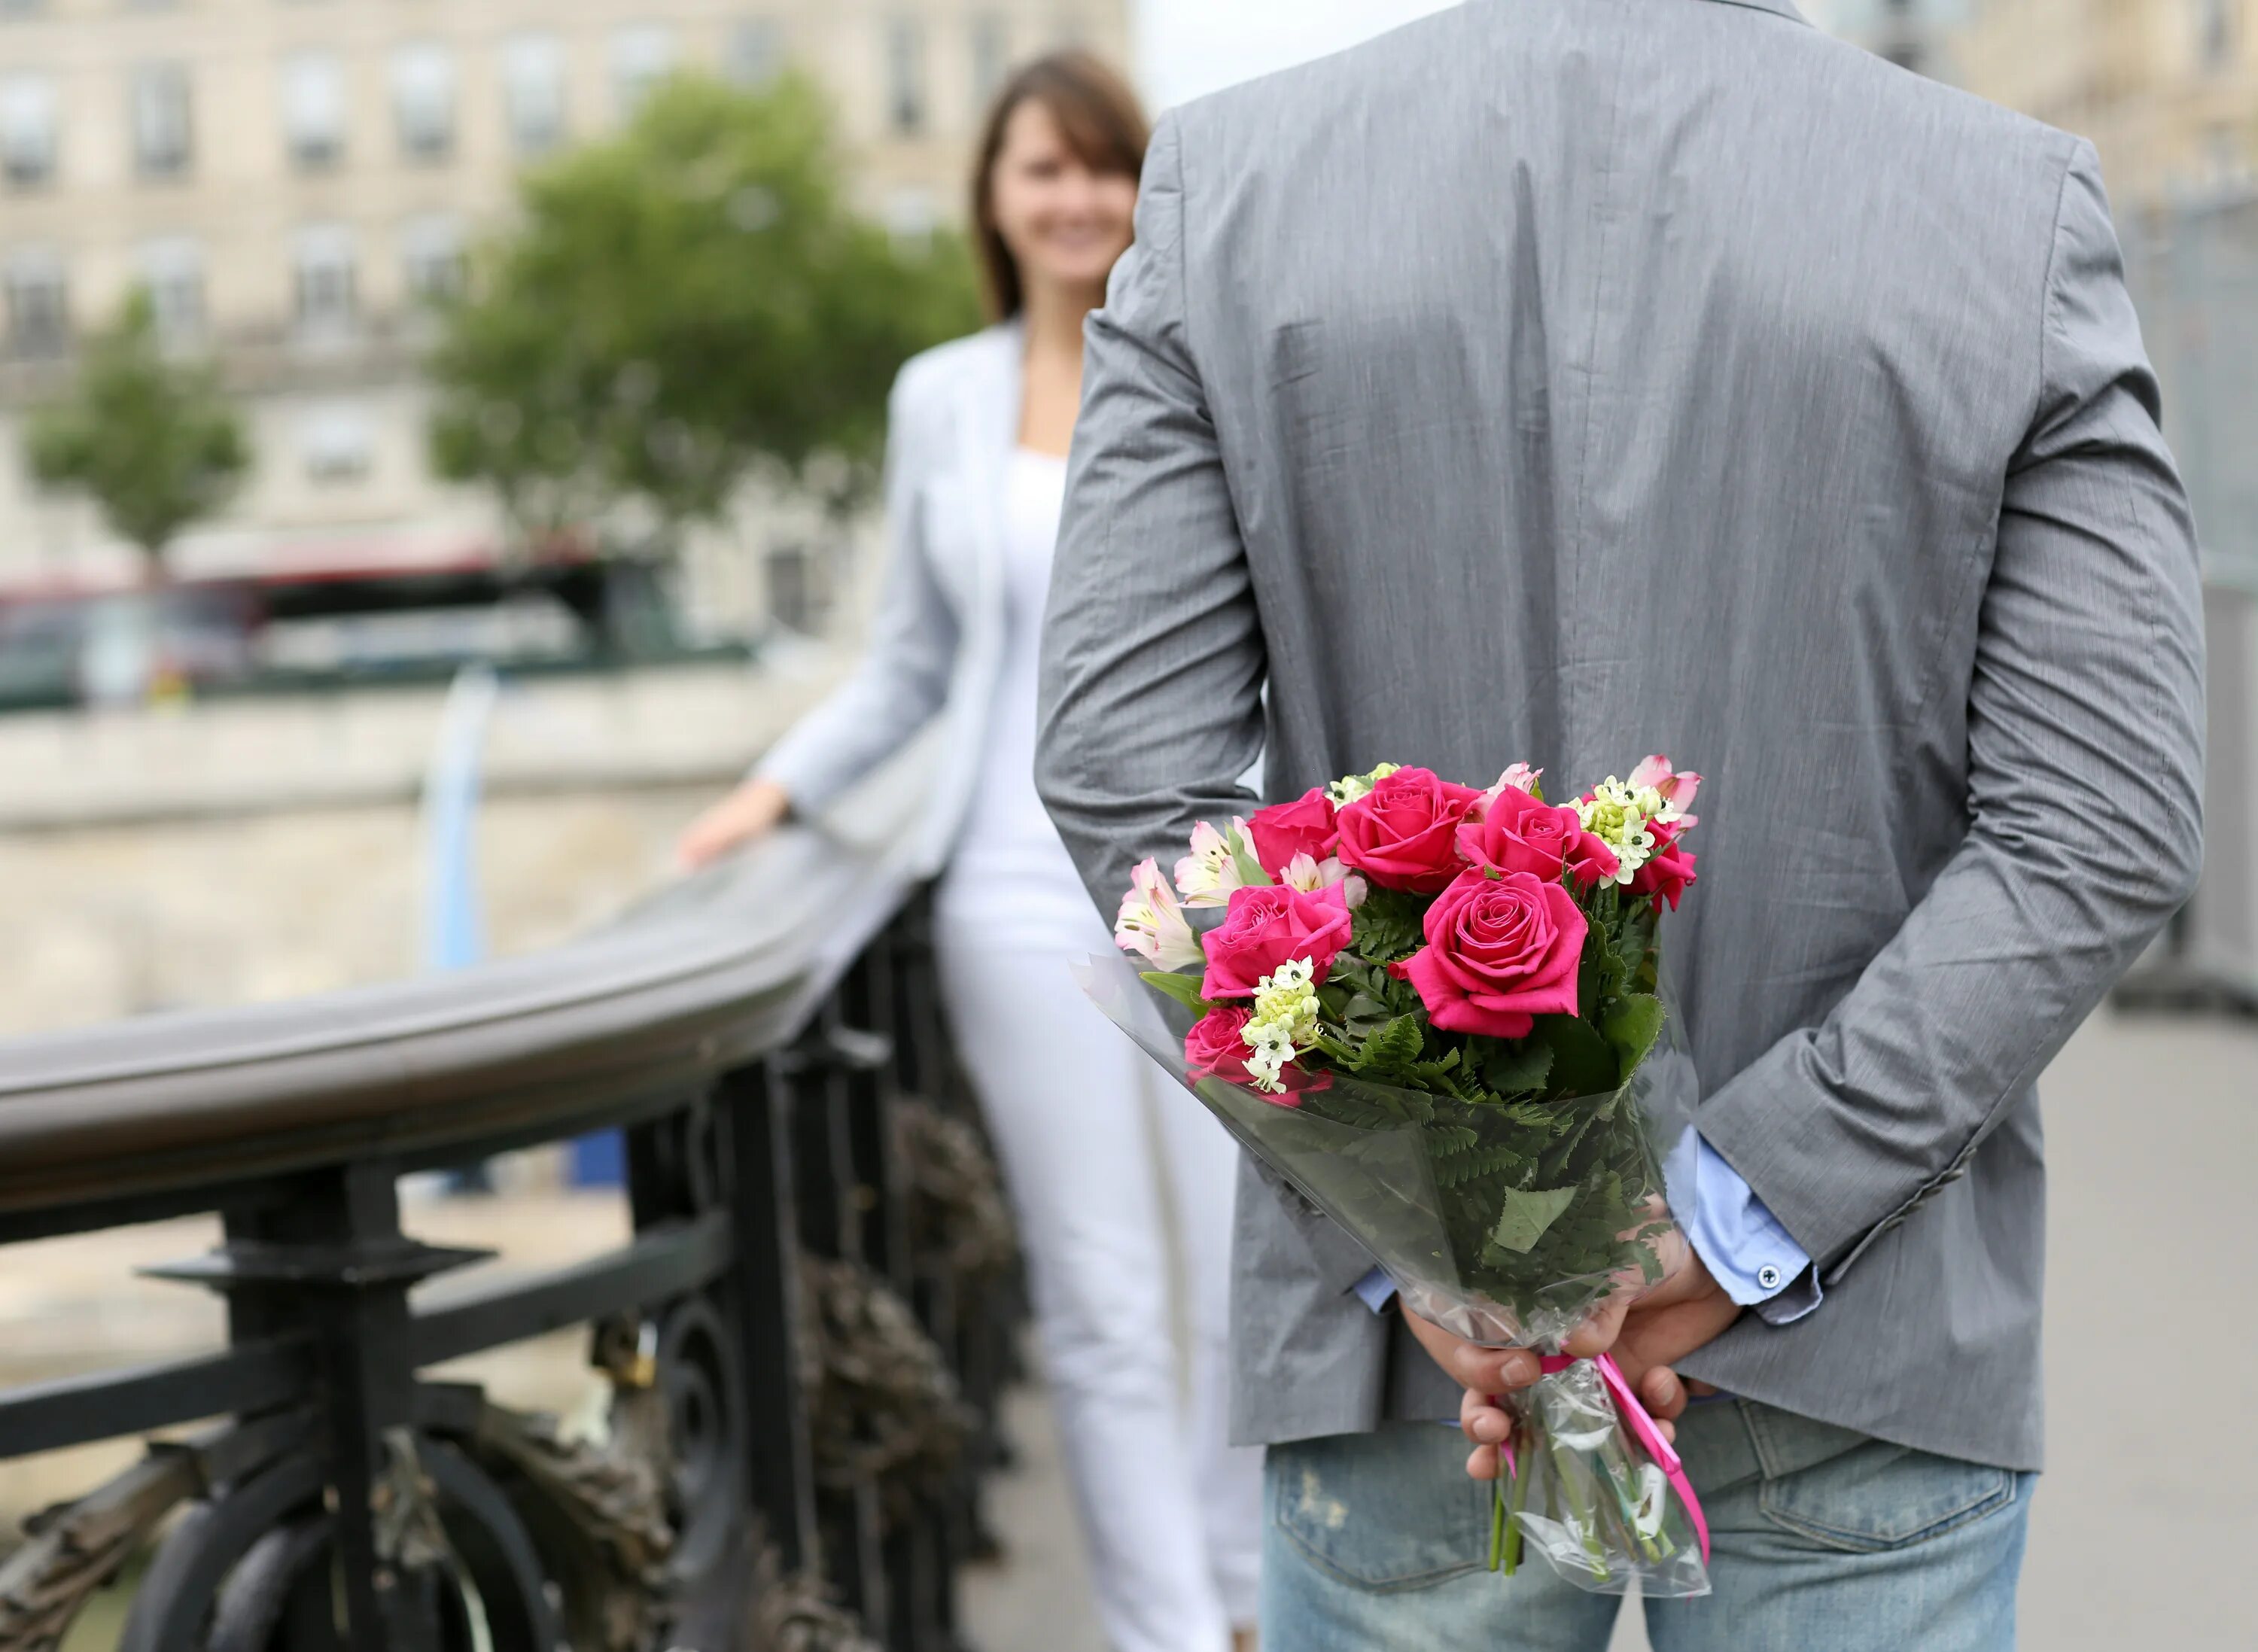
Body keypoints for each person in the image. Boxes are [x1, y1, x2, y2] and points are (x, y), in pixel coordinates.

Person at [1033, 3, 2205, 1650]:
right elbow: (2106, 811)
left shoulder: (1229, 187)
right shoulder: (2006, 202)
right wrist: (1749, 1207)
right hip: (1858, 1313)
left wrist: (1433, 1236)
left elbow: (1125, 770)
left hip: (1420, 1367)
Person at [677, 52, 1262, 1652]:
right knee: (1099, 1297)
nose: (1073, 200)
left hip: (1211, 885)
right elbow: (912, 666)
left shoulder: (1210, 359)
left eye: (1100, 168)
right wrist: (775, 793)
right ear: (994, 200)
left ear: (1141, 188)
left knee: (1238, 1269)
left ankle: (1257, 1599)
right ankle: (1164, 1629)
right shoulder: (941, 394)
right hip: (1005, 887)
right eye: (1040, 171)